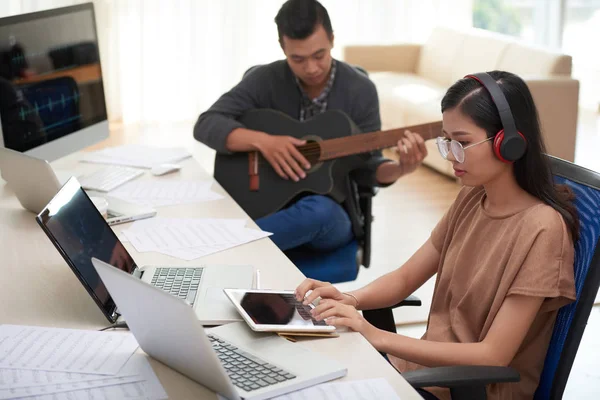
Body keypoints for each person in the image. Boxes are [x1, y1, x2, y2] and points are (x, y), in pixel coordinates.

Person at [295, 70, 579, 400]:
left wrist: (377, 336)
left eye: (462, 143)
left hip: (470, 390)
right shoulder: (473, 197)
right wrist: (350, 299)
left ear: (508, 143)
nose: (451, 156)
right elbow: (404, 279)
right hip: (421, 374)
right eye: (447, 141)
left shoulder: (543, 230)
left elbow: (492, 356)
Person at [193, 0, 426, 272]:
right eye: (298, 59)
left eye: (320, 55)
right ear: (283, 48)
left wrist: (400, 168)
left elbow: (368, 168)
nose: (312, 68)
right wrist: (263, 142)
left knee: (318, 211)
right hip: (267, 209)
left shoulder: (360, 90)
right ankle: (229, 247)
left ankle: (216, 248)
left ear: (332, 40)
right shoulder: (266, 79)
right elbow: (206, 124)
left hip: (328, 218)